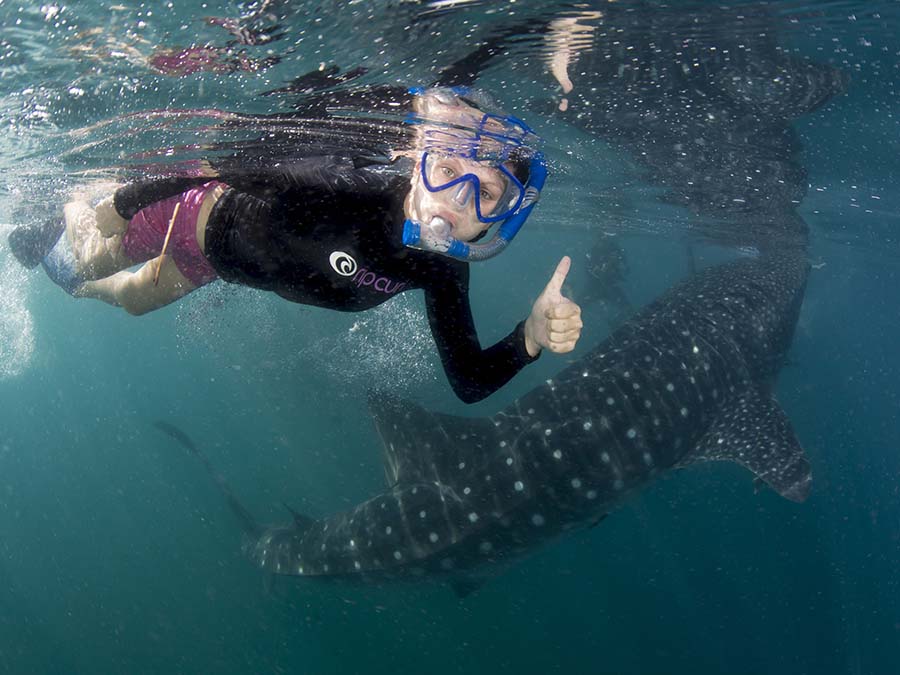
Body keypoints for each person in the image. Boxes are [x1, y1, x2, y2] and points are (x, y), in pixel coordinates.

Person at [8, 86, 583, 404]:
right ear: (416, 162)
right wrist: (123, 204)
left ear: (501, 218)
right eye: (446, 170)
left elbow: (470, 381)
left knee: (127, 301)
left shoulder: (442, 273)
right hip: (193, 215)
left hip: (211, 265)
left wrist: (528, 339)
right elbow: (219, 164)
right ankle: (70, 210)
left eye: (484, 193)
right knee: (88, 253)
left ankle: (75, 274)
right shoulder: (344, 182)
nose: (455, 200)